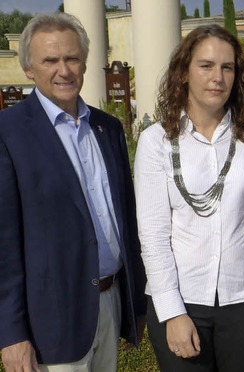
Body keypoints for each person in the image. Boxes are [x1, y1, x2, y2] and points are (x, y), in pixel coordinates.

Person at [134, 24, 244, 372]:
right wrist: (172, 312)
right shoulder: (155, 141)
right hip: (181, 301)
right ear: (184, 72)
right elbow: (154, 236)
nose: (217, 77)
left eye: (227, 67)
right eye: (206, 65)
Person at [0, 12, 146, 372]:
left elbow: (126, 219)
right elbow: (3, 245)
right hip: (50, 321)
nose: (63, 70)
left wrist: (135, 303)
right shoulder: (9, 132)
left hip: (110, 305)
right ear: (29, 69)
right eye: (50, 60)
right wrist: (11, 334)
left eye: (72, 58)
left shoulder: (107, 128)